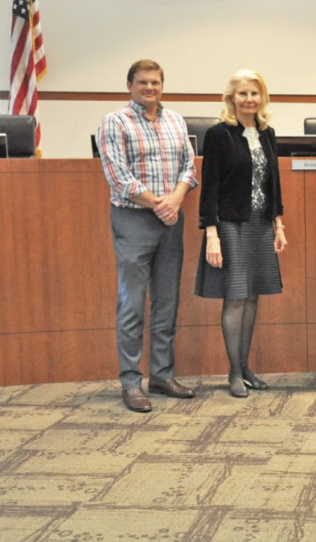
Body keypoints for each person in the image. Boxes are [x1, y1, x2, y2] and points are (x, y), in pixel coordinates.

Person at [97, 59, 198, 412]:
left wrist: (176, 199)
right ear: (130, 85)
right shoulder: (115, 121)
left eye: (155, 82)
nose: (149, 88)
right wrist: (160, 203)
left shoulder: (175, 120)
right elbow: (118, 177)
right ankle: (130, 382)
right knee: (132, 304)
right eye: (142, 82)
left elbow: (189, 166)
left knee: (167, 302)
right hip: (134, 221)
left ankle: (161, 375)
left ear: (162, 85)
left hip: (171, 220)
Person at [195, 70, 286, 398]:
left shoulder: (267, 133)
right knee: (235, 296)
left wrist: (278, 223)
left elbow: (273, 182)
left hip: (261, 224)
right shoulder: (219, 134)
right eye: (243, 94)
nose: (249, 99)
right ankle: (234, 371)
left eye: (255, 94)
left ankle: (246, 367)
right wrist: (212, 233)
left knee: (252, 296)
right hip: (230, 224)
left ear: (262, 98)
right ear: (231, 98)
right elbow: (210, 187)